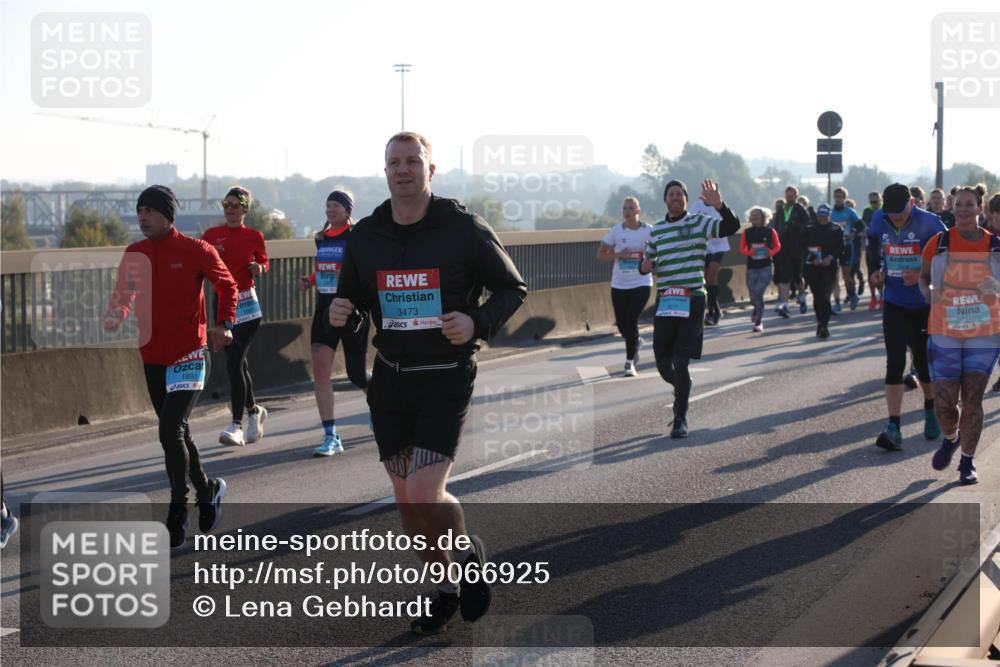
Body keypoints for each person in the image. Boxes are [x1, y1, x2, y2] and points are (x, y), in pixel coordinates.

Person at [329, 132, 527, 635]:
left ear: (430, 170)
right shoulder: (367, 235)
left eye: (413, 161)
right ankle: (443, 590)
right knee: (407, 504)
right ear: (385, 170)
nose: (403, 170)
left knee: (423, 492)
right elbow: (352, 304)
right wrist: (340, 314)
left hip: (445, 375)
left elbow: (512, 287)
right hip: (390, 382)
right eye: (394, 163)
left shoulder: (462, 228)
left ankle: (467, 556)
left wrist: (476, 323)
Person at [103, 185, 236, 549]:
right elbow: (123, 295)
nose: (142, 217)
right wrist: (118, 313)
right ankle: (207, 489)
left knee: (169, 430)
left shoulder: (196, 250)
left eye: (149, 210)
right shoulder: (135, 253)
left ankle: (178, 508)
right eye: (139, 210)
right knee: (176, 432)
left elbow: (227, 285)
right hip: (153, 357)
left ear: (168, 214)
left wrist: (224, 323)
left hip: (190, 354)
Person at [639, 179, 740, 438]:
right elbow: (647, 260)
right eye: (670, 194)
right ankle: (682, 386)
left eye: (679, 194)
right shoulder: (658, 230)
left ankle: (680, 418)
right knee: (663, 362)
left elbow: (731, 227)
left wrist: (720, 205)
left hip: (692, 297)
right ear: (665, 200)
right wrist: (644, 267)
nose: (675, 197)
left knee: (681, 360)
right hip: (666, 300)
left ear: (685, 199)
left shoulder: (698, 222)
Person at [920, 186, 1000, 485]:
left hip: (985, 331)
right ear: (953, 208)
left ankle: (967, 461)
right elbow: (925, 277)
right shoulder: (938, 243)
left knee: (972, 398)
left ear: (981, 209)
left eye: (969, 204)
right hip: (944, 330)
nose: (963, 209)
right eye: (958, 204)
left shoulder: (995, 246)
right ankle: (951, 437)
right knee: (944, 403)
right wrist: (929, 291)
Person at [867, 183, 947, 451]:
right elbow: (874, 245)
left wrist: (922, 274)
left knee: (923, 364)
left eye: (900, 213)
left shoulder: (930, 223)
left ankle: (930, 406)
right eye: (891, 215)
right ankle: (894, 427)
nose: (895, 219)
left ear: (912, 203)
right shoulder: (880, 218)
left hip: (924, 303)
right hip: (895, 302)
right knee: (895, 363)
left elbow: (947, 259)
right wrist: (876, 270)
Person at [298, 191, 372, 457]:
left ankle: (376, 398)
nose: (330, 209)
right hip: (324, 310)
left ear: (347, 211)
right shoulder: (321, 238)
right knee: (320, 372)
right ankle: (331, 435)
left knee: (356, 374)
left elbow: (366, 269)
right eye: (327, 204)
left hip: (352, 311)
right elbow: (325, 269)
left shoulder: (357, 236)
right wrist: (310, 280)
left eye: (336, 205)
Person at [202, 187, 270, 447]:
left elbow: (264, 261)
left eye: (236, 203)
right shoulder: (211, 235)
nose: (230, 208)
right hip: (222, 306)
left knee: (234, 364)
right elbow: (198, 259)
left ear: (245, 209)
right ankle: (254, 411)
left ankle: (236, 426)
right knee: (237, 365)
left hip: (247, 307)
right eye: (226, 203)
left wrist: (259, 267)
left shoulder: (254, 236)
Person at [598, 196, 652, 376]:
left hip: (641, 282)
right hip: (619, 284)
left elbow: (658, 251)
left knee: (631, 319)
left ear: (638, 211)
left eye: (631, 208)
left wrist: (649, 255)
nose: (627, 212)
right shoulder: (616, 231)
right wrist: (618, 254)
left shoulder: (649, 231)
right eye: (625, 209)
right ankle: (635, 342)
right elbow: (601, 255)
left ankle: (630, 362)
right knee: (622, 325)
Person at [801, 204, 843, 339]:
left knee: (825, 296)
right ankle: (820, 322)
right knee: (817, 296)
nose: (822, 218)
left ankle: (824, 325)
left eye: (825, 216)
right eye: (820, 216)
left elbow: (841, 248)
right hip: (812, 267)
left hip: (829, 268)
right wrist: (812, 258)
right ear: (817, 215)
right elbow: (801, 246)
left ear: (829, 216)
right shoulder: (808, 228)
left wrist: (830, 257)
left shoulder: (836, 229)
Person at [772, 186, 811, 318]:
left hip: (796, 246)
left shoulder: (800, 208)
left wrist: (795, 225)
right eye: (787, 194)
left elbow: (808, 225)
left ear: (796, 196)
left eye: (792, 195)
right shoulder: (781, 209)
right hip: (783, 246)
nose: (789, 197)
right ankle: (784, 304)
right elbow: (775, 226)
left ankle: (802, 296)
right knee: (784, 276)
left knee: (797, 276)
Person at [739, 207, 780, 332]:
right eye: (753, 215)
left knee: (758, 292)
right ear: (749, 218)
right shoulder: (747, 232)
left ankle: (758, 321)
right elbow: (742, 249)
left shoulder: (770, 231)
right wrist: (750, 252)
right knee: (752, 295)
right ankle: (756, 308)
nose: (755, 217)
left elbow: (778, 246)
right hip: (752, 266)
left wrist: (770, 252)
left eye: (757, 215)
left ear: (764, 217)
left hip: (766, 266)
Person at [831, 187, 865, 311]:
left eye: (841, 197)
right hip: (833, 247)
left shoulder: (850, 212)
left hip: (847, 246)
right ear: (834, 197)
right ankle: (837, 303)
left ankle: (852, 295)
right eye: (836, 197)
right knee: (834, 277)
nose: (838, 199)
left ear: (844, 198)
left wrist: (853, 233)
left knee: (846, 275)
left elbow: (861, 226)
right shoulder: (830, 212)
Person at [702, 198, 731, 326]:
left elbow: (728, 223)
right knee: (707, 278)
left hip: (719, 245)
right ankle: (714, 309)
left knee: (712, 276)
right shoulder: (696, 207)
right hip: (705, 248)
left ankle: (713, 311)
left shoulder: (719, 205)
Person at [863, 191, 885, 310]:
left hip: (883, 244)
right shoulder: (867, 211)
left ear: (880, 201)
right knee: (871, 271)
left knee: (881, 271)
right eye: (871, 202)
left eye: (875, 201)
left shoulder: (885, 210)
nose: (873, 204)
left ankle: (882, 297)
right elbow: (864, 225)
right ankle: (873, 297)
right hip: (870, 244)